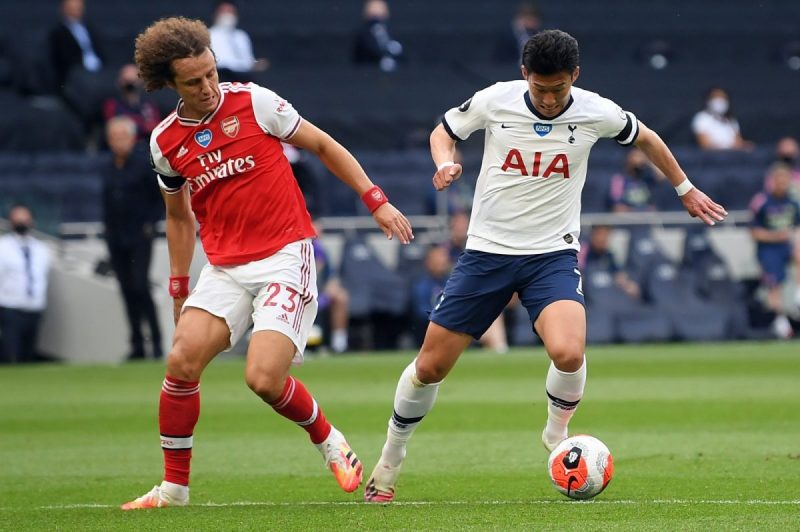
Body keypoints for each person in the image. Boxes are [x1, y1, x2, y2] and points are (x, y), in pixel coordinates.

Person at [364, 29, 727, 503]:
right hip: (487, 254)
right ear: (524, 76)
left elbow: (647, 138)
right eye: (541, 89)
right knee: (430, 368)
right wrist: (445, 162)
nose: (551, 99)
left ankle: (556, 436)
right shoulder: (496, 100)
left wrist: (685, 189)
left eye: (559, 89)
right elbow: (444, 131)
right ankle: (391, 459)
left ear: (575, 76)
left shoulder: (596, 110)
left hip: (551, 255)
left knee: (569, 352)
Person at [122, 17, 413, 510]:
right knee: (180, 363)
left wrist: (375, 199)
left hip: (284, 255)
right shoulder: (165, 143)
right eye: (194, 82)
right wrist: (177, 286)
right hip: (225, 269)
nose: (208, 87)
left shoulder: (254, 102)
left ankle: (329, 441)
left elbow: (322, 145)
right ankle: (174, 489)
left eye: (211, 73)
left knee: (262, 378)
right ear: (168, 84)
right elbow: (178, 218)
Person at [102, 116, 164, 360]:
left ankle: (156, 342)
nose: (118, 142)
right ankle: (137, 344)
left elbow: (159, 197)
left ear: (132, 138)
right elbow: (106, 203)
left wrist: (151, 224)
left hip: (140, 236)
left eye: (122, 136)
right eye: (114, 137)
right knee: (126, 290)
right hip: (116, 238)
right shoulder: (108, 167)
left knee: (140, 286)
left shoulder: (142, 165)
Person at [749, 163, 800, 339]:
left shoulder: (793, 202)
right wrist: (779, 236)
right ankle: (780, 320)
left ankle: (798, 292)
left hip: (788, 246)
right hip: (769, 248)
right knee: (774, 286)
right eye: (779, 179)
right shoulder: (762, 202)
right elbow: (755, 233)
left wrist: (792, 238)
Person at [0, 205, 51, 364]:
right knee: (10, 353)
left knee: (28, 355)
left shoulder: (41, 249)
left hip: (34, 308)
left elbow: (43, 277)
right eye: (17, 217)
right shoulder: (3, 247)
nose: (21, 221)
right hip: (10, 308)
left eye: (24, 217)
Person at [311, 220, 350, 354]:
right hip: (302, 292)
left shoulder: (322, 250)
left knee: (341, 297)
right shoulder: (299, 249)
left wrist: (330, 288)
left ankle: (339, 344)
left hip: (320, 292)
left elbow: (331, 276)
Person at [48, 0, 105, 91]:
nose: (76, 10)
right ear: (64, 9)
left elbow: (100, 50)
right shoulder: (58, 32)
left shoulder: (89, 29)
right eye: (72, 7)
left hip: (98, 71)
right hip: (77, 74)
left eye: (79, 7)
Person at [209, 1, 268, 82]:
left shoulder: (242, 36)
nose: (227, 15)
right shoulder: (209, 34)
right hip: (223, 75)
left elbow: (248, 61)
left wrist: (256, 64)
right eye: (224, 11)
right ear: (216, 14)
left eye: (230, 12)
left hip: (244, 76)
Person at [578, 225, 640, 300]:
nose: (602, 239)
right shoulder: (584, 252)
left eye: (605, 235)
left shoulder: (609, 256)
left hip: (607, 294)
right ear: (593, 235)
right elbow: (579, 273)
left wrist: (628, 285)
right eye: (599, 234)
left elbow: (618, 275)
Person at [102, 64, 162, 142]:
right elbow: (114, 128)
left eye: (133, 81)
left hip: (146, 146)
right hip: (122, 144)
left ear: (140, 81)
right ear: (120, 81)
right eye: (126, 81)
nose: (130, 85)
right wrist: (142, 124)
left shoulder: (149, 104)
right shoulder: (112, 104)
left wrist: (129, 124)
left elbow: (155, 126)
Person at [607, 147, 664, 212]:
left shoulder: (645, 179)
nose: (639, 159)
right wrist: (640, 211)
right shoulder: (619, 180)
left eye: (641, 156)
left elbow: (662, 176)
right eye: (636, 156)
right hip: (627, 219)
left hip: (645, 218)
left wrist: (648, 161)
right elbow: (618, 208)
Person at [353, 0, 404, 72]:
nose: (376, 13)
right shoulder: (363, 33)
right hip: (368, 71)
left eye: (380, 9)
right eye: (373, 9)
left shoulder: (390, 31)